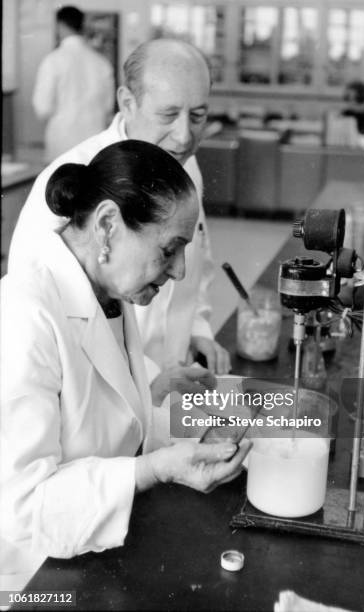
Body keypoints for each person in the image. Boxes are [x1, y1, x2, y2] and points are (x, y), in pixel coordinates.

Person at [0, 140, 251, 567]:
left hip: (92, 548)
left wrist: (175, 413)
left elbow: (106, 416)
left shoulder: (106, 291)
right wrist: (154, 469)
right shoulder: (24, 317)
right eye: (169, 249)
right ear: (108, 226)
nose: (180, 271)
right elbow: (22, 508)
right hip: (34, 578)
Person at [12, 38, 230, 381]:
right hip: (111, 396)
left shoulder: (184, 165)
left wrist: (197, 327)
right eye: (169, 115)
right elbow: (43, 325)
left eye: (198, 116)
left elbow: (195, 258)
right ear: (128, 102)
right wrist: (148, 381)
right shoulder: (76, 180)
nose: (185, 136)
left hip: (170, 381)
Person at [32, 6, 114, 162]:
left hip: (62, 143)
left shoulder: (53, 61)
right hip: (94, 142)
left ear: (60, 25)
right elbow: (108, 108)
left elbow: (42, 108)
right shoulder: (102, 62)